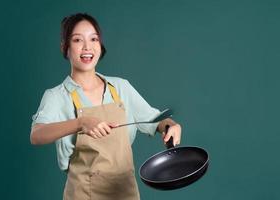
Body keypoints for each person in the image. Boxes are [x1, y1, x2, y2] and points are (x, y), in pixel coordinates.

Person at [30, 12, 181, 200]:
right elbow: (36, 135)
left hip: (125, 193)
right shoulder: (56, 96)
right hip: (84, 194)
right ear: (65, 47)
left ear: (100, 46)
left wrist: (170, 125)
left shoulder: (120, 87)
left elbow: (153, 120)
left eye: (93, 39)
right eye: (77, 40)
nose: (87, 47)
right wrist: (81, 123)